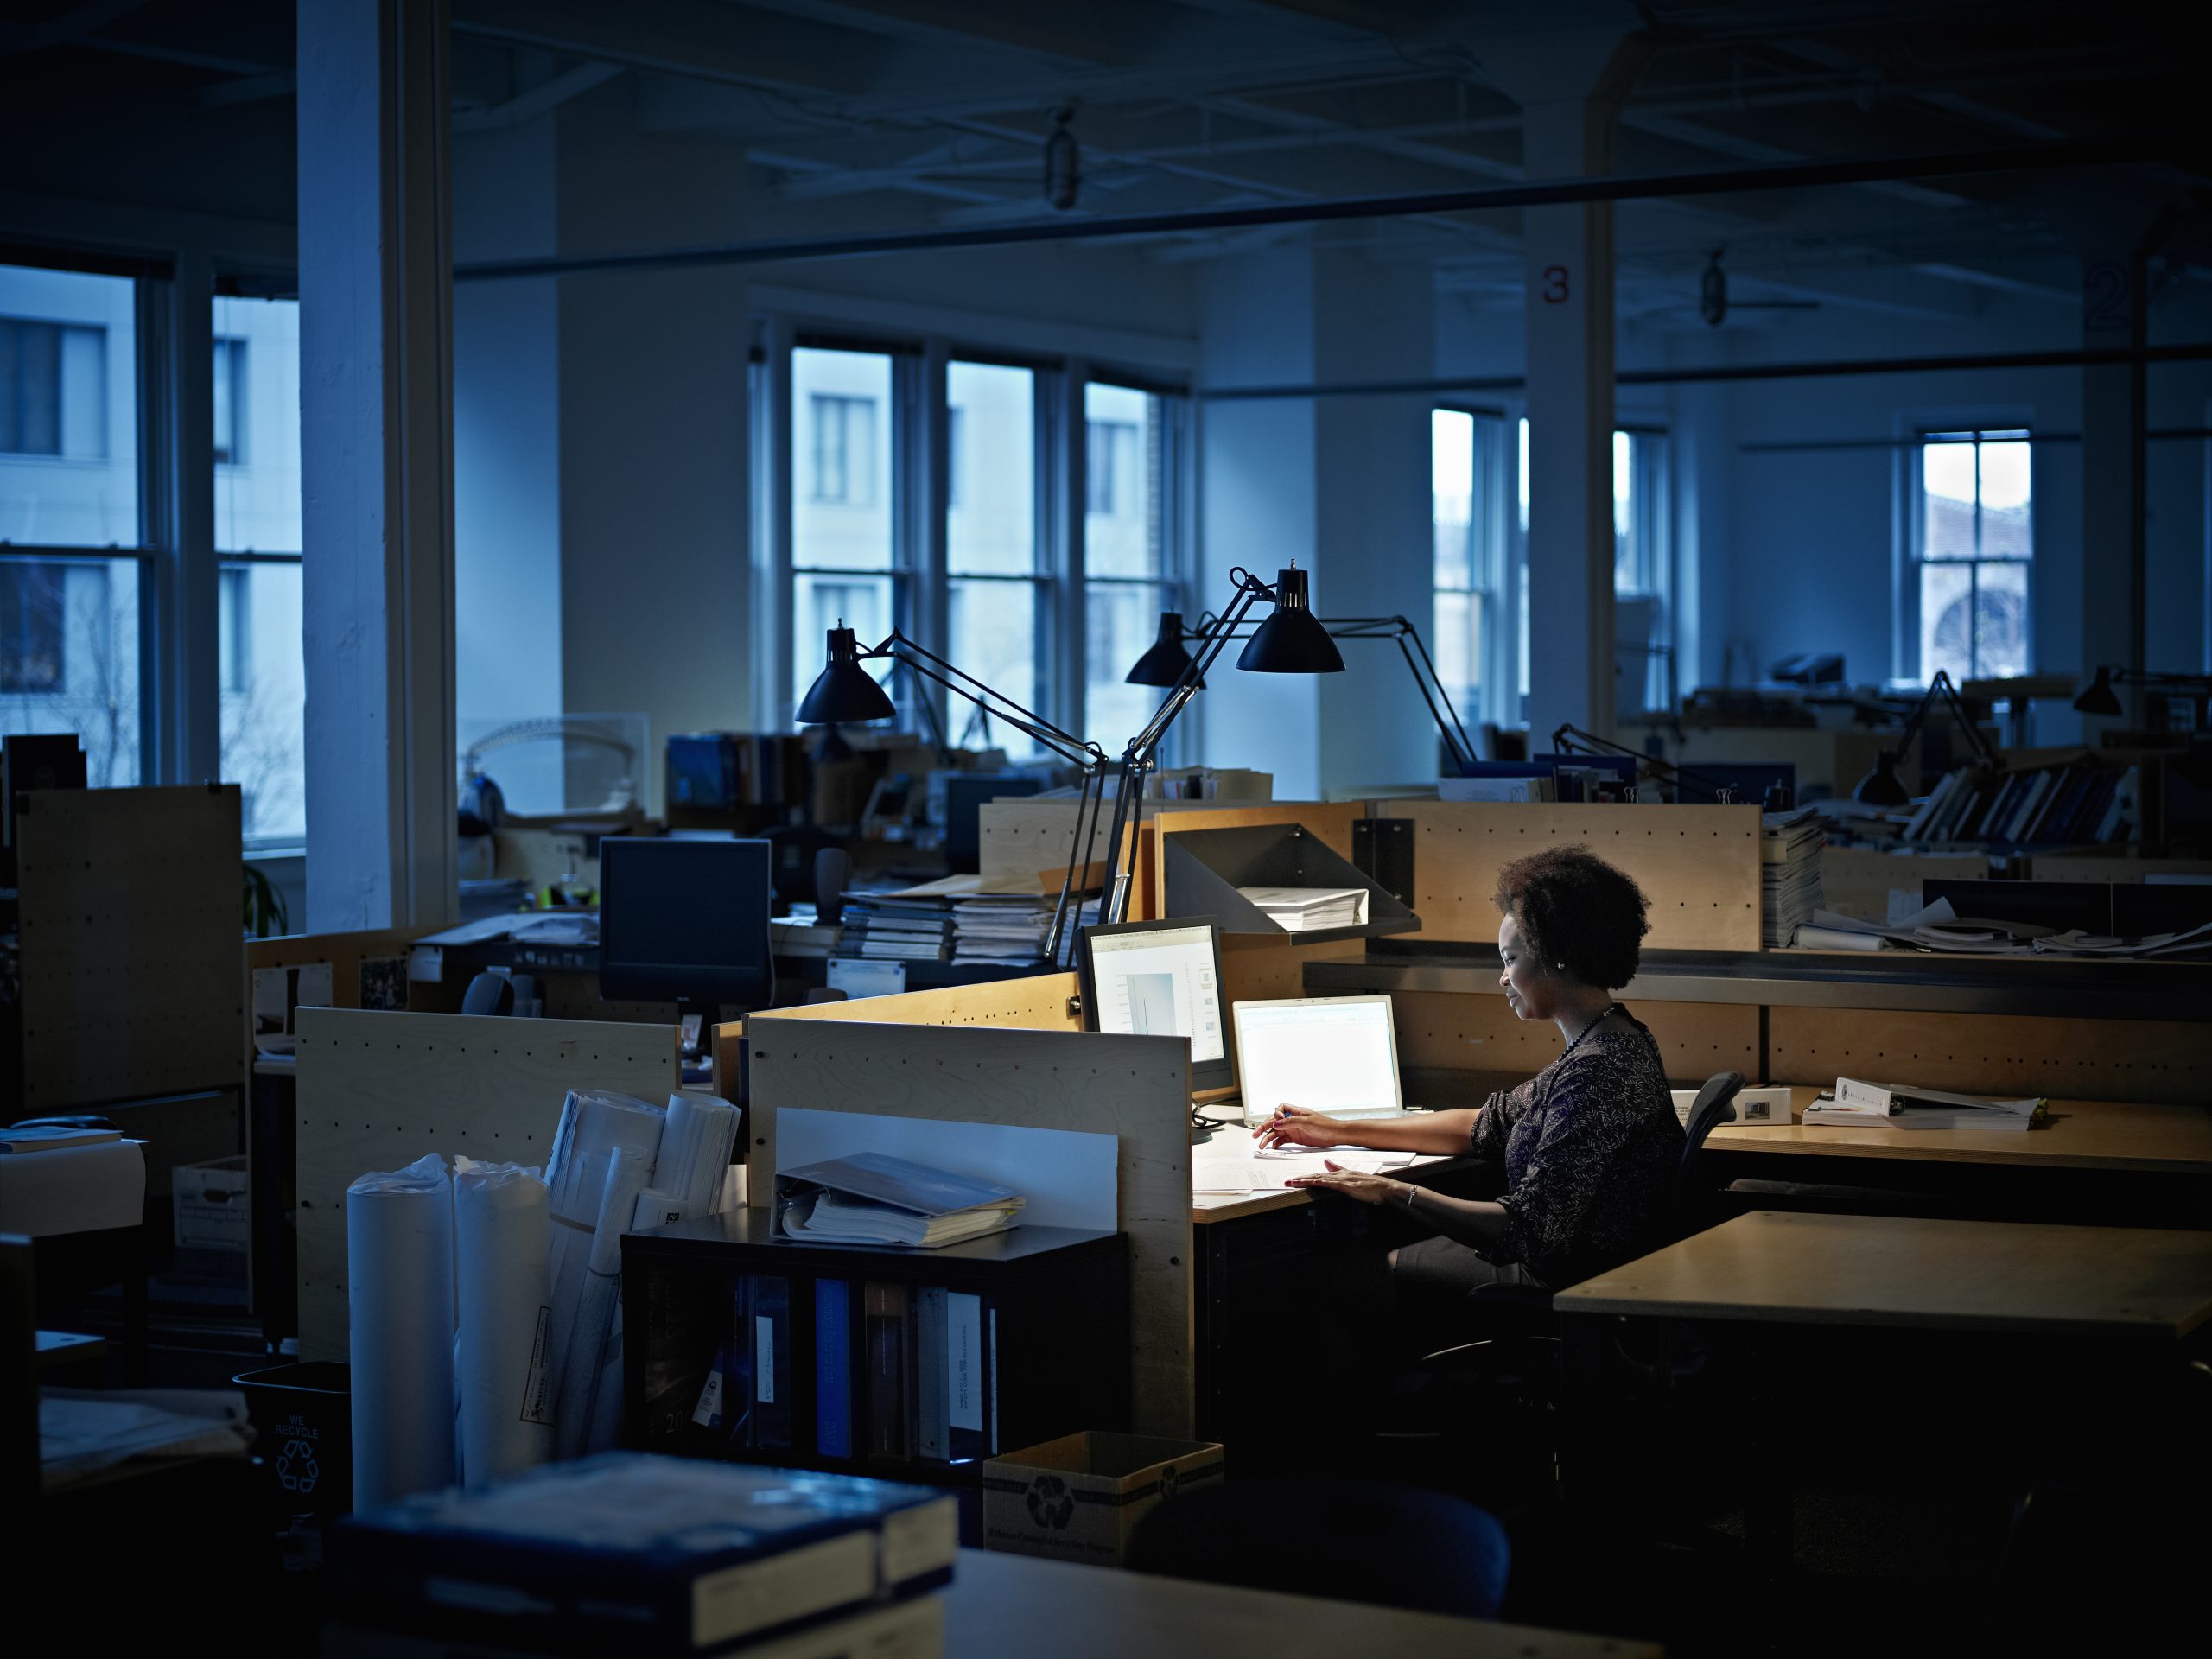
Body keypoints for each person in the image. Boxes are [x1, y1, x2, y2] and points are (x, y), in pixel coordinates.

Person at [1256, 844, 1682, 1294]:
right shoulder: (1614, 1037)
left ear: (1559, 956)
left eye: (1510, 960)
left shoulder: (1597, 1074)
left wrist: (1393, 1191)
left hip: (1563, 1282)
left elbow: (1524, 1229)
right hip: (1576, 1267)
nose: (1502, 979)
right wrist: (1338, 1129)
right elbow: (1482, 1125)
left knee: (1336, 1274)